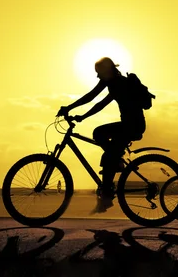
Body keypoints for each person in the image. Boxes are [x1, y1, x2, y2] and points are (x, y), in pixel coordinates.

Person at [57, 57, 147, 213]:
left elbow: (98, 102)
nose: (97, 76)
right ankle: (110, 180)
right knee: (108, 154)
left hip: (133, 126)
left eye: (99, 73)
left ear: (106, 71)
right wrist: (75, 111)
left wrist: (75, 111)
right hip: (129, 125)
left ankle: (106, 195)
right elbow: (92, 97)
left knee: (101, 139)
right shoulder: (112, 81)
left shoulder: (118, 83)